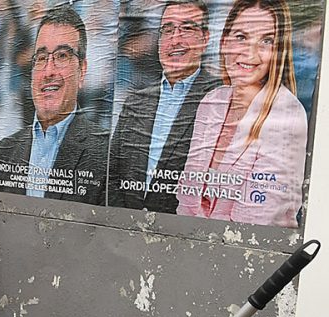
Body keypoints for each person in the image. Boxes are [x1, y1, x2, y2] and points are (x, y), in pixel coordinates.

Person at [175, 0, 307, 227]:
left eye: (266, 41)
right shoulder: (212, 101)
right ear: (224, 41)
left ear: (279, 51)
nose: (250, 53)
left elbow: (255, 219)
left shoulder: (287, 113)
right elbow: (186, 196)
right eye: (241, 37)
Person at [0, 5, 108, 205]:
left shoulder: (105, 153)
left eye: (62, 56)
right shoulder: (5, 150)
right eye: (41, 58)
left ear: (82, 70)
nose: (49, 71)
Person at [108, 0, 220, 212]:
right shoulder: (136, 101)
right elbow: (112, 173)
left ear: (205, 39)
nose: (175, 40)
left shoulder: (220, 98)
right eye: (167, 30)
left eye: (186, 29)